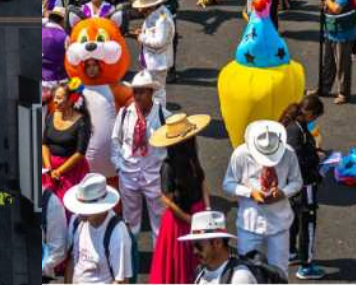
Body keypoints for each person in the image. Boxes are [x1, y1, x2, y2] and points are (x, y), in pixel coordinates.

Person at [223, 119, 302, 270]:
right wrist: (249, 192)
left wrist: (283, 193)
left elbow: (297, 182)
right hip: (250, 224)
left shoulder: (288, 154)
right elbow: (228, 183)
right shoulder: (240, 155)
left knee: (279, 272)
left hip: (279, 224)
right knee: (247, 271)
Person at [150, 112, 212, 284]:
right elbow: (166, 199)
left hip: (197, 213)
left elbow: (202, 181)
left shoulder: (193, 159)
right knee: (183, 266)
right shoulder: (168, 167)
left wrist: (206, 209)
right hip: (180, 222)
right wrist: (188, 219)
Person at [111, 71, 169, 242]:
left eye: (142, 92)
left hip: (154, 177)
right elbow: (115, 140)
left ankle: (159, 262)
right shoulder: (124, 114)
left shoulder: (164, 116)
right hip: (128, 175)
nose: (137, 96)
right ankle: (131, 258)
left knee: (159, 224)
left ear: (151, 92)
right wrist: (118, 166)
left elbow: (173, 145)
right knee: (130, 222)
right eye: (135, 92)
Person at [281, 95, 326, 280]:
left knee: (293, 219)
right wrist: (318, 158)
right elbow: (298, 160)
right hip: (305, 184)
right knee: (308, 222)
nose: (315, 120)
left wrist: (314, 152)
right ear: (309, 114)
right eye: (315, 116)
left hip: (294, 184)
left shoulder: (294, 126)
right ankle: (306, 266)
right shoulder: (296, 131)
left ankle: (291, 252)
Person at [62, 173, 132, 284]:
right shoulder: (76, 221)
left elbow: (121, 281)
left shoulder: (117, 232)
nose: (79, 212)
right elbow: (72, 261)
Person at [44, 80, 91, 202]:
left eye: (59, 98)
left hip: (71, 170)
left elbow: (80, 153)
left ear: (71, 100)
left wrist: (59, 171)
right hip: (50, 170)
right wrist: (49, 167)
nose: (55, 101)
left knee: (66, 207)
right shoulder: (51, 115)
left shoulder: (81, 122)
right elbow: (44, 144)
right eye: (54, 97)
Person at [181, 211, 258, 284]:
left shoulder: (239, 277)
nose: (195, 251)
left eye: (199, 246)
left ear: (218, 243)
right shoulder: (200, 273)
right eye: (193, 246)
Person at [319, 0, 356, 104]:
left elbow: (336, 9)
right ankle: (324, 88)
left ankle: (344, 93)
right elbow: (330, 8)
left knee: (342, 65)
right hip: (331, 31)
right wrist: (325, 3)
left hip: (343, 34)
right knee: (328, 63)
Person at [133, 0, 173, 105]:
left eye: (142, 7)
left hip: (158, 63)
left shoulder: (162, 20)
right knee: (153, 93)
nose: (139, 10)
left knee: (158, 93)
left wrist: (141, 37)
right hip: (153, 61)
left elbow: (159, 42)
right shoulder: (155, 15)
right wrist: (144, 32)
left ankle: (159, 117)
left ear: (149, 7)